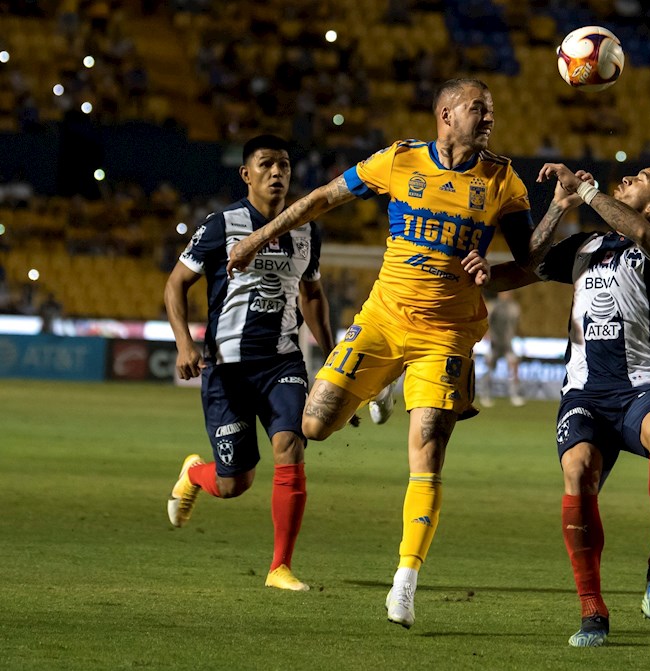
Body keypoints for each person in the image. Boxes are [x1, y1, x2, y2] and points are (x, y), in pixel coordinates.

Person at [226, 79, 542, 629]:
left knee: (427, 449)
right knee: (315, 425)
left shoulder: (502, 179)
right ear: (446, 113)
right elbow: (322, 198)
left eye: (490, 110)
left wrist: (501, 265)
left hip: (446, 334)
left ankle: (405, 581)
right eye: (478, 109)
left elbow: (530, 263)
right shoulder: (398, 161)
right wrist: (257, 238)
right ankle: (385, 383)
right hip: (381, 320)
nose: (488, 117)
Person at [479, 161, 650, 647]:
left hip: (642, 386)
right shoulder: (586, 246)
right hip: (584, 393)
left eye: (639, 180)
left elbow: (639, 229)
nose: (627, 179)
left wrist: (591, 190)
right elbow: (524, 267)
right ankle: (592, 610)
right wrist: (558, 207)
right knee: (578, 469)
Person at [163, 134, 336, 592]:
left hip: (282, 362)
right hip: (228, 368)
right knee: (234, 483)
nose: (277, 172)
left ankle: (280, 566)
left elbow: (312, 294)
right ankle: (195, 473)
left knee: (290, 445)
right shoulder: (222, 225)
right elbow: (175, 284)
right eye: (266, 165)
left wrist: (334, 354)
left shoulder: (306, 228)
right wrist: (184, 343)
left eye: (284, 164)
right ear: (246, 174)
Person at [479, 290, 524, 407]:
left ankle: (515, 394)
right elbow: (486, 320)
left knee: (514, 366)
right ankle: (485, 394)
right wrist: (487, 334)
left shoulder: (514, 307)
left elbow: (516, 324)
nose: (506, 294)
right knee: (489, 368)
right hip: (495, 342)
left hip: (508, 343)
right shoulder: (493, 306)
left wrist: (517, 335)